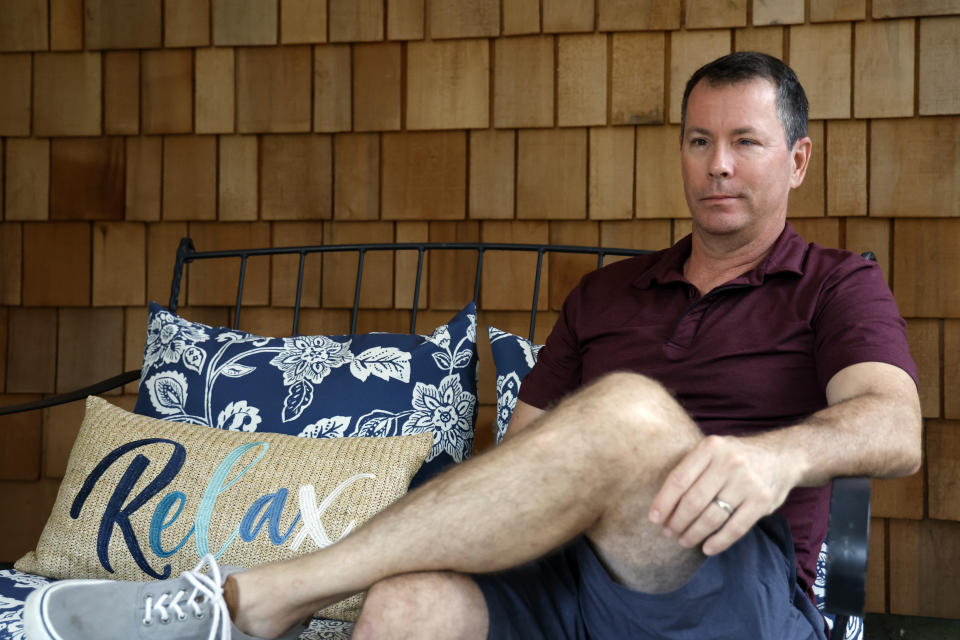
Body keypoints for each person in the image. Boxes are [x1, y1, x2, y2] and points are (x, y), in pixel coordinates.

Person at [24, 52, 921, 640]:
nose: (718, 164)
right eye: (699, 141)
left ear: (796, 160)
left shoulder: (835, 284)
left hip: (728, 582)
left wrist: (773, 460)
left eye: (745, 142)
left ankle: (258, 597)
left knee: (628, 410)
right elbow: (529, 452)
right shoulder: (607, 293)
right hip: (571, 576)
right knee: (405, 609)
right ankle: (279, 596)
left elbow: (894, 426)